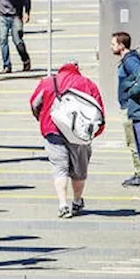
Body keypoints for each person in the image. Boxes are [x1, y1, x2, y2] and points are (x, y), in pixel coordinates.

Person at [30, 61, 105, 218]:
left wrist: (43, 118)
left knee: (60, 169)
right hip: (79, 134)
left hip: (53, 131)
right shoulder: (87, 83)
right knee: (79, 171)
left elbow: (34, 103)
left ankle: (63, 204)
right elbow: (99, 112)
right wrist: (94, 134)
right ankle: (77, 201)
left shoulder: (48, 82)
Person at [112, 32, 140, 187]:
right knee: (134, 141)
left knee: (133, 141)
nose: (111, 47)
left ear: (121, 45)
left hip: (130, 106)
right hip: (127, 104)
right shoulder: (128, 59)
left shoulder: (130, 61)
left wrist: (130, 87)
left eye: (113, 44)